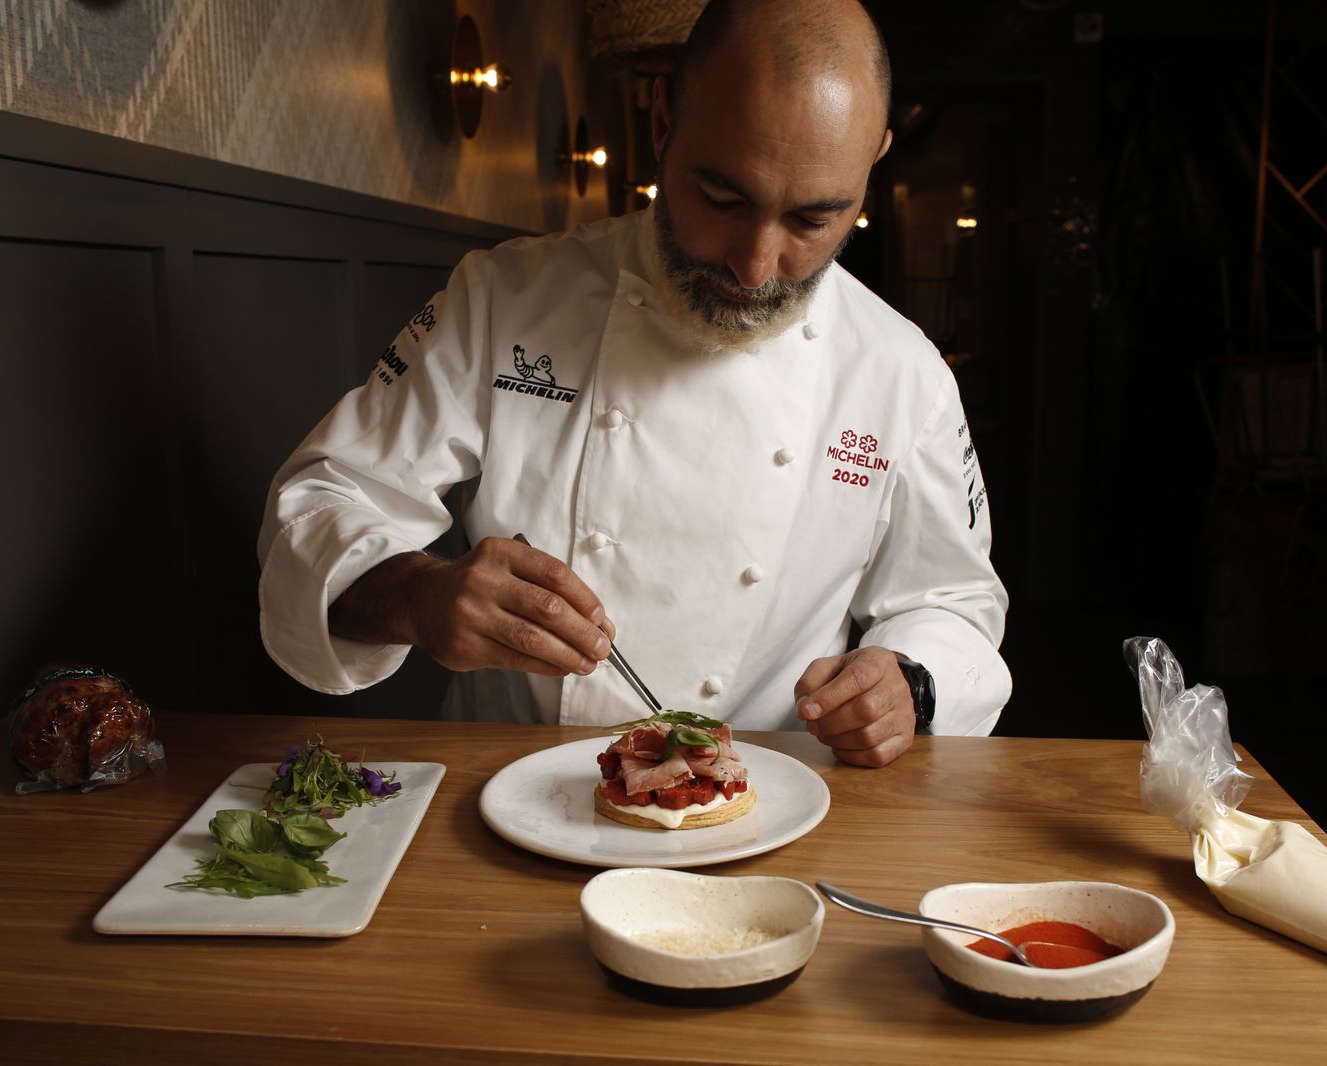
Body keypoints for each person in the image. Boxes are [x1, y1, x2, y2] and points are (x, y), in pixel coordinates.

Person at [257, 0, 1009, 767]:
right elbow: (322, 503)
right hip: (506, 786)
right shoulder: (503, 298)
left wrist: (909, 684)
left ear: (872, 162)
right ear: (662, 124)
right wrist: (419, 595)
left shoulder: (902, 373)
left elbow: (954, 602)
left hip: (773, 795)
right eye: (723, 199)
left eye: (813, 221)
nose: (755, 266)